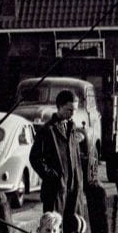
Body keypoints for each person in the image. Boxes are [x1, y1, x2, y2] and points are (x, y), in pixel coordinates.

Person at [30, 89, 84, 222]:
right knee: (54, 229)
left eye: (75, 110)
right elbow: (34, 158)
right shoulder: (47, 131)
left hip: (73, 190)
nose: (72, 114)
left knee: (74, 229)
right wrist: (52, 176)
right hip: (55, 191)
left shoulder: (72, 129)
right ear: (59, 107)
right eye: (69, 110)